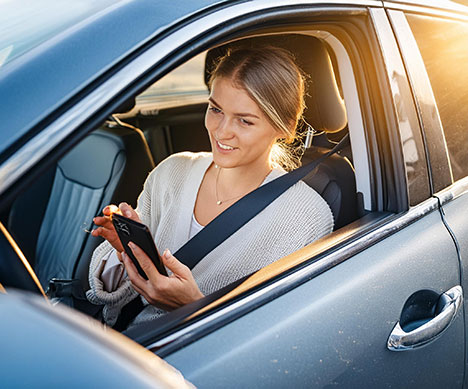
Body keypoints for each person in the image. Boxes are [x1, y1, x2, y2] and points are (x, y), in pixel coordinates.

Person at [86, 46, 334, 327]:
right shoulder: (171, 171)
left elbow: (278, 337)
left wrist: (194, 307)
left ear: (285, 128)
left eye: (244, 120)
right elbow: (113, 299)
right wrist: (126, 254)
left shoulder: (307, 218)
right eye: (215, 109)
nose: (221, 130)